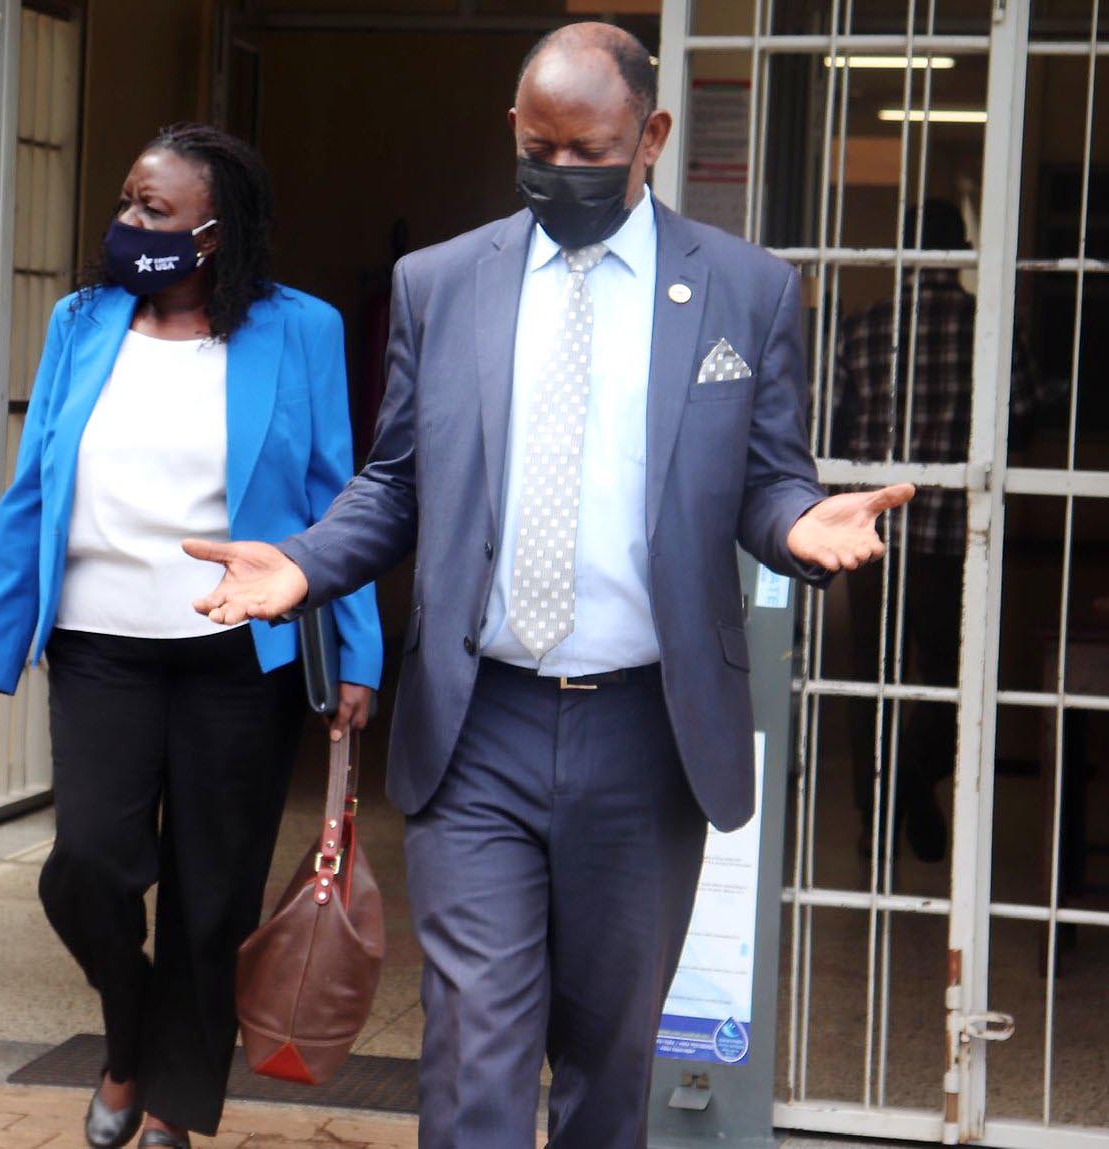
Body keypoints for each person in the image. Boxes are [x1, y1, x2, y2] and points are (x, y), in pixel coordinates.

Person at [186, 24, 913, 1149]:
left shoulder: (744, 291)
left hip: (646, 730)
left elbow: (767, 483)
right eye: (540, 146)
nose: (560, 170)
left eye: (590, 149)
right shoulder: (440, 283)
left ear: (651, 138)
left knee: (606, 1056)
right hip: (481, 724)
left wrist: (798, 526)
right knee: (473, 1035)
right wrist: (305, 561)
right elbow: (397, 482)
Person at [0, 123, 382, 1149]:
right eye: (129, 203)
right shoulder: (81, 321)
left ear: (217, 233)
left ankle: (175, 1110)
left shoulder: (298, 329)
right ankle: (129, 1041)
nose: (128, 224)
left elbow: (340, 499)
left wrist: (355, 653)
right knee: (88, 865)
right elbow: (36, 491)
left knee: (210, 896)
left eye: (156, 211)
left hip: (242, 656)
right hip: (101, 645)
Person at [834, 198, 1043, 863]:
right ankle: (912, 781)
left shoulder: (860, 329)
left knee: (868, 675)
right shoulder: (988, 330)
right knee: (953, 676)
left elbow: (829, 429)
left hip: (865, 531)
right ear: (961, 249)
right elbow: (1028, 418)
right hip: (953, 533)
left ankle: (880, 808)